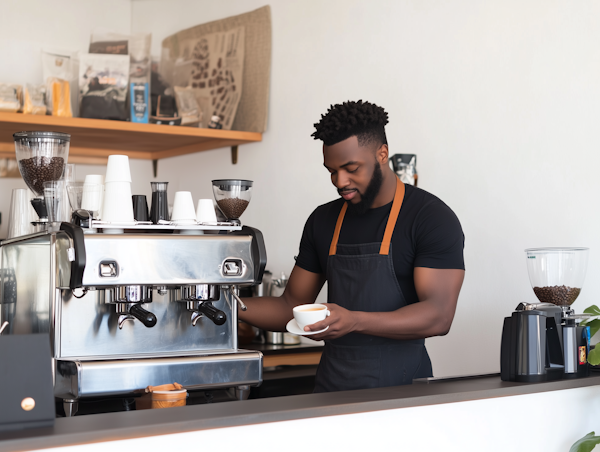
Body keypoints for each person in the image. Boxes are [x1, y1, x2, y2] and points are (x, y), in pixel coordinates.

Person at [239, 100, 465, 392]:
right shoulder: (323, 220)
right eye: (331, 170)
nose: (339, 181)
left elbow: (439, 315)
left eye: (351, 168)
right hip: (332, 390)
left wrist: (354, 321)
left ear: (382, 154)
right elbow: (290, 307)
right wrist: (227, 305)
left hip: (404, 394)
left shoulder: (430, 217)